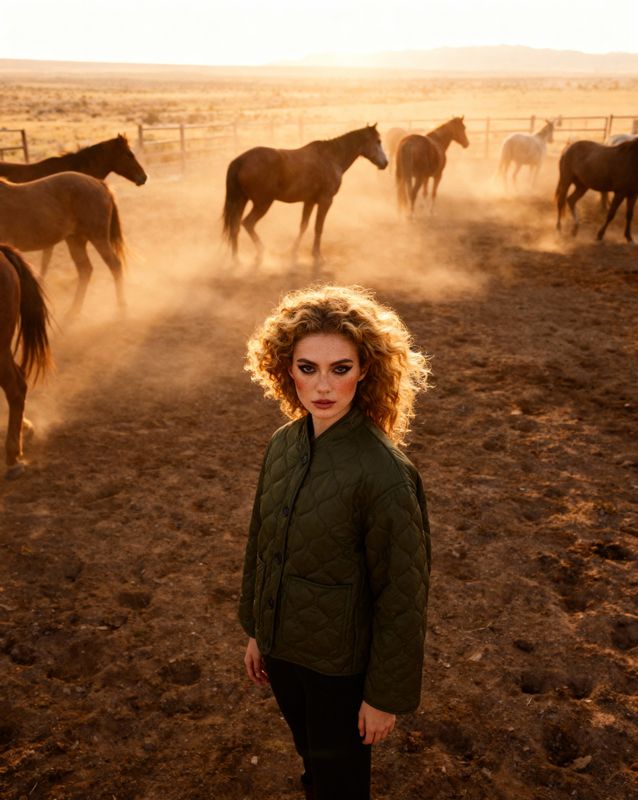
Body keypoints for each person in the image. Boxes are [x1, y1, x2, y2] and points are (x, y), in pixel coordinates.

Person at [239, 284, 431, 800]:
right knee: (313, 766)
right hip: (283, 654)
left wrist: (383, 698)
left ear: (364, 369)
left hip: (339, 671)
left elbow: (402, 595)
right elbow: (263, 544)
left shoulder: (385, 474)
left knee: (340, 783)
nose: (322, 385)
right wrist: (257, 630)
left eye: (339, 369)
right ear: (286, 369)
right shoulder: (283, 444)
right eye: (308, 368)